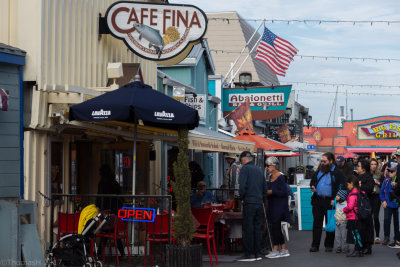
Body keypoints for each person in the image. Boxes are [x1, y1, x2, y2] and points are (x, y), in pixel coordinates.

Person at [309, 152, 346, 253]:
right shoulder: (318, 171)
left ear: (331, 161)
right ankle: (315, 245)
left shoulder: (338, 172)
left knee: (330, 223)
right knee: (316, 223)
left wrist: (334, 199)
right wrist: (312, 186)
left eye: (325, 161)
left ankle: (329, 245)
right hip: (318, 200)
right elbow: (312, 181)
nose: (322, 163)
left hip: (330, 202)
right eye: (322, 161)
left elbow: (342, 186)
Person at [237, 151, 267, 262]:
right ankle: (257, 252)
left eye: (241, 160)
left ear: (244, 159)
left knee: (248, 228)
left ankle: (249, 253)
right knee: (257, 227)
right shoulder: (259, 169)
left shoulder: (245, 169)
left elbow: (242, 186)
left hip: (249, 201)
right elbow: (264, 187)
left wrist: (242, 198)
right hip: (259, 202)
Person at [95, 164, 125, 257]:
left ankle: (99, 253)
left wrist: (98, 206)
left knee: (106, 231)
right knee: (113, 232)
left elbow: (99, 198)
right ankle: (122, 253)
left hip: (106, 211)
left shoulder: (102, 183)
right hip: (115, 212)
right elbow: (121, 198)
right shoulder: (115, 183)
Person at [264, 157, 290, 259]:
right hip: (273, 204)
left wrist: (271, 192)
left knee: (275, 228)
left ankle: (275, 249)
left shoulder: (281, 177)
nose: (267, 168)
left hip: (280, 206)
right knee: (276, 227)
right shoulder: (270, 177)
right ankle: (283, 249)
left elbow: (284, 192)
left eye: (268, 166)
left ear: (274, 166)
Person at [355, 159, 374, 254]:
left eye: (358, 166)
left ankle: (367, 246)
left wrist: (360, 186)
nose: (357, 168)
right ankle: (360, 244)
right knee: (359, 226)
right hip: (357, 204)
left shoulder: (368, 177)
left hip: (365, 205)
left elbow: (370, 189)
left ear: (363, 168)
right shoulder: (357, 176)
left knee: (367, 225)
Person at [380, 161, 400, 247]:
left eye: (392, 171)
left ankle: (396, 238)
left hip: (396, 205)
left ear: (396, 172)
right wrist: (383, 201)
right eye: (389, 171)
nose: (390, 173)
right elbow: (381, 192)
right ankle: (386, 237)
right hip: (388, 204)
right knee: (386, 221)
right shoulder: (386, 180)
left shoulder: (398, 181)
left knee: (397, 223)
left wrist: (396, 185)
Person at [343, 175, 364, 257]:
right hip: (357, 216)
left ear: (352, 184)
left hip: (353, 217)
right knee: (357, 233)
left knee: (355, 234)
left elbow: (350, 207)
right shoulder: (359, 192)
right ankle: (360, 249)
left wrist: (344, 209)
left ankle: (357, 249)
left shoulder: (352, 195)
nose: (347, 186)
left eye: (348, 184)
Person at [370, 158, 383, 244]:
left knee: (375, 217)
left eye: (375, 164)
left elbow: (383, 185)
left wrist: (378, 182)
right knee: (368, 217)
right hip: (368, 196)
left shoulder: (380, 174)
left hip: (376, 197)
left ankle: (377, 236)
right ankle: (369, 235)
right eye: (372, 164)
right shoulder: (366, 174)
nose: (374, 166)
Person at [335, 189, 350, 254]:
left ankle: (346, 247)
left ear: (342, 197)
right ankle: (339, 247)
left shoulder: (346, 204)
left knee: (344, 236)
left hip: (344, 222)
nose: (336, 196)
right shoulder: (337, 204)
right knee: (337, 236)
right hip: (337, 222)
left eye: (337, 195)